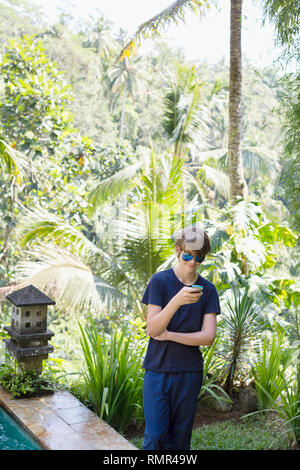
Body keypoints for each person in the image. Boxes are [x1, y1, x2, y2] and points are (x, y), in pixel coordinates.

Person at [141, 225, 221, 450]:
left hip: (189, 372)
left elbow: (208, 337)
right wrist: (177, 300)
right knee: (156, 437)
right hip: (158, 370)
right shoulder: (160, 282)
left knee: (180, 439)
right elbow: (153, 329)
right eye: (188, 255)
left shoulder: (208, 290)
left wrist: (170, 335)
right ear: (177, 250)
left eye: (199, 258)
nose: (192, 262)